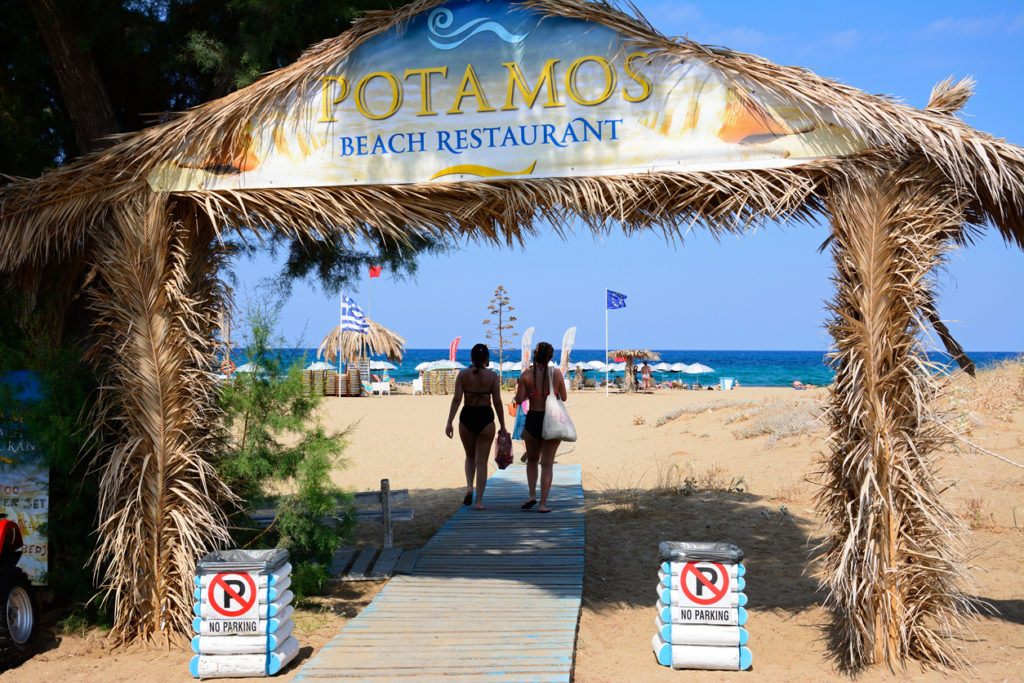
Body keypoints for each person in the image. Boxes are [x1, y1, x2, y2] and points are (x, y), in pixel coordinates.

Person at [445, 343, 506, 510]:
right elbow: (498, 402)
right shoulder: (493, 376)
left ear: (471, 358)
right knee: (482, 461)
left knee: (470, 456)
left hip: (467, 417)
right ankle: (479, 501)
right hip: (485, 417)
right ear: (487, 359)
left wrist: (449, 421)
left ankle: (469, 487)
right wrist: (502, 425)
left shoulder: (463, 375)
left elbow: (457, 399)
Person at [514, 342, 568, 513]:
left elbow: (519, 399)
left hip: (533, 418)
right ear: (550, 357)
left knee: (532, 461)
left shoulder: (526, 375)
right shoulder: (557, 374)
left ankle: (531, 495)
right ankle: (543, 504)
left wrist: (530, 392)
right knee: (547, 464)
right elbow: (564, 397)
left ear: (535, 356)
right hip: (551, 419)